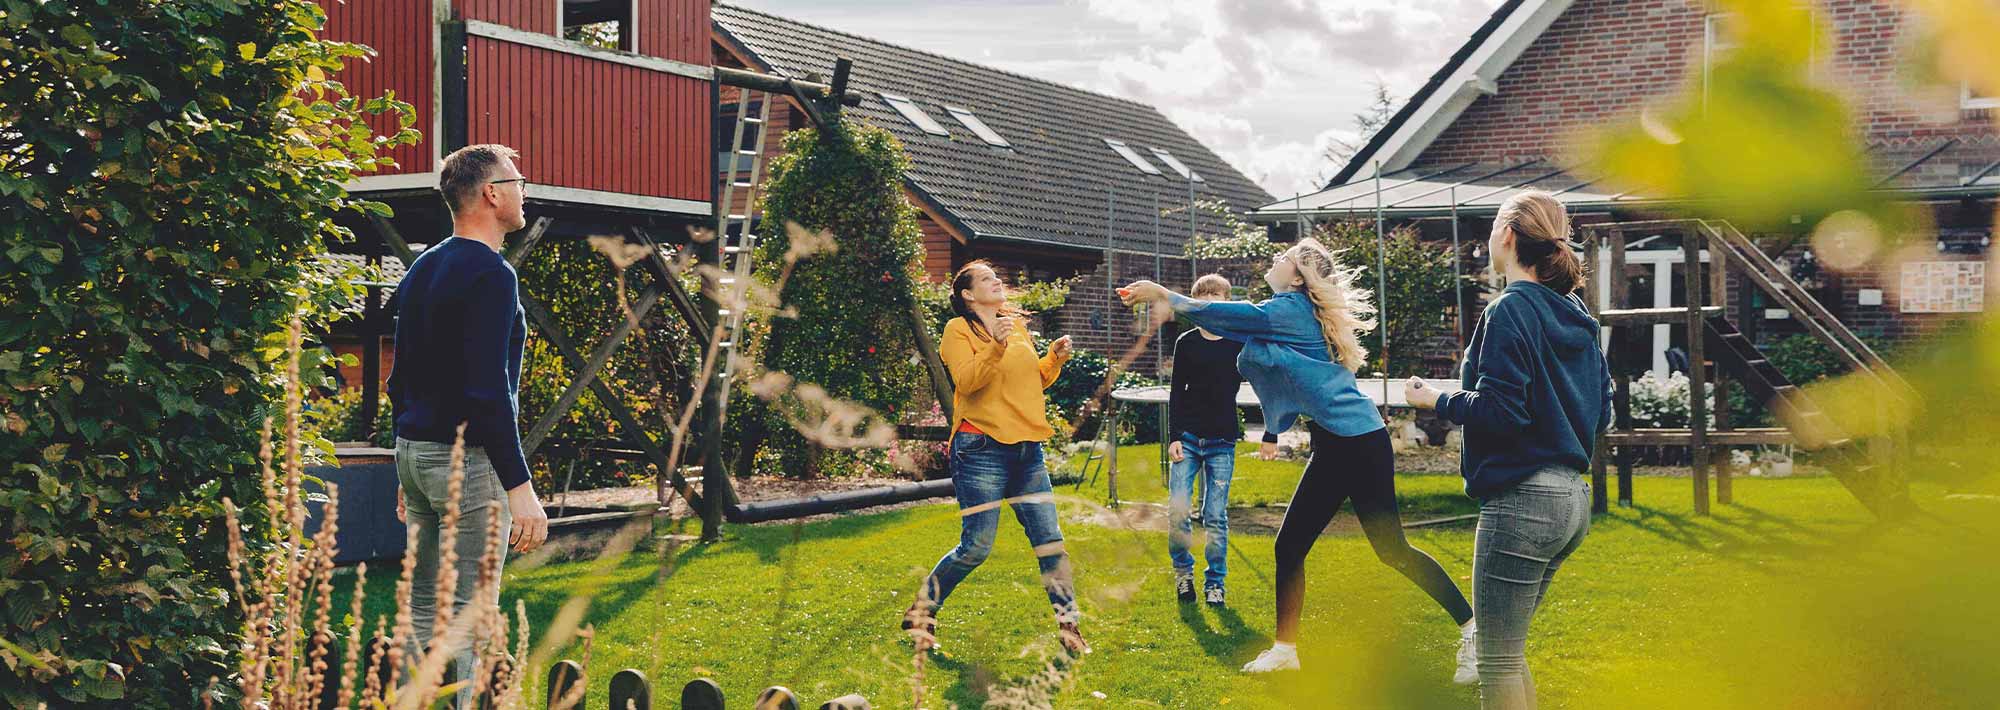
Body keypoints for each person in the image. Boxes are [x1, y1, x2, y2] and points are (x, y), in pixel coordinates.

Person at [1121, 238, 1475, 678]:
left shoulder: (1287, 310)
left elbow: (1229, 316)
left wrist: (1164, 293)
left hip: (1358, 442)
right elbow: (1233, 325)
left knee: (1392, 550)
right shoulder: (1286, 312)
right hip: (1333, 441)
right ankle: (1286, 650)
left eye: (1283, 258)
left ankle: (1473, 631)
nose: (1275, 260)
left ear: (1297, 277)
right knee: (1289, 547)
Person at [1406, 190, 1612, 710]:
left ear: (1508, 235)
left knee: (1496, 662)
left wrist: (1439, 398)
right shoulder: (1575, 315)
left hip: (1523, 503)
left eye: (1494, 225)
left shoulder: (1510, 309)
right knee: (1508, 652)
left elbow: (1503, 412)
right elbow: (1602, 412)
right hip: (1572, 503)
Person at [387, 143, 550, 702]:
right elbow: (487, 393)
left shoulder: (423, 267)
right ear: (491, 193)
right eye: (519, 179)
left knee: (425, 606)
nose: (525, 188)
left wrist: (402, 466)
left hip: (416, 455)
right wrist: (520, 489)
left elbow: (397, 377)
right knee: (468, 613)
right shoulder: (492, 275)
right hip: (466, 465)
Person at [903, 261, 1088, 655]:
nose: (997, 281)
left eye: (996, 277)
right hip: (981, 449)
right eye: (987, 279)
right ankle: (923, 609)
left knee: (1051, 543)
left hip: (1027, 451)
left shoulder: (1014, 325)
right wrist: (996, 344)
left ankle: (1069, 628)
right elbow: (968, 382)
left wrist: (1053, 359)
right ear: (968, 295)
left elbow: (1031, 379)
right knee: (976, 547)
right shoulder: (958, 331)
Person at [1164, 274, 1276, 607]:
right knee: (1178, 512)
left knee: (1215, 515)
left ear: (1229, 301)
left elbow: (1267, 386)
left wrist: (1271, 433)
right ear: (1196, 304)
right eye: (1204, 296)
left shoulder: (1239, 343)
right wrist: (1173, 437)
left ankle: (1216, 582)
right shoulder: (1186, 342)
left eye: (1217, 295)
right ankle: (1183, 574)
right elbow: (1176, 393)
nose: (1211, 300)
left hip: (1222, 441)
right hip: (1187, 438)